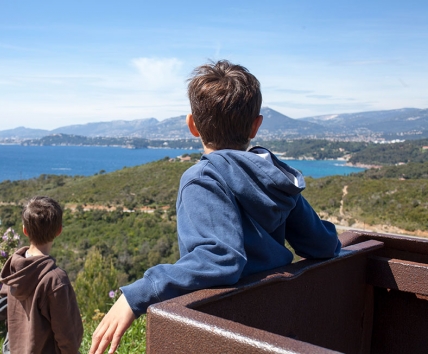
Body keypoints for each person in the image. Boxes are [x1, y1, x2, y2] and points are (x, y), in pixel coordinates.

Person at [90, 60, 341, 354]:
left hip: (230, 329)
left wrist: (138, 294)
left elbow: (220, 258)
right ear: (255, 126)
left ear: (192, 125)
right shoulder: (275, 177)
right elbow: (323, 244)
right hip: (280, 323)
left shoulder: (202, 178)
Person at [0, 196, 83, 354]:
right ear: (59, 231)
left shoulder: (14, 267)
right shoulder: (55, 279)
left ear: (25, 230)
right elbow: (66, 334)